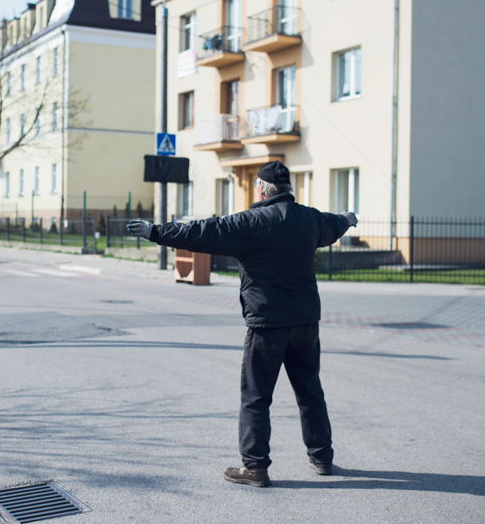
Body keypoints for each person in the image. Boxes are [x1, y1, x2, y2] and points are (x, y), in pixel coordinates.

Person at [127, 161, 357, 488]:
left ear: (262, 189)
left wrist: (155, 232)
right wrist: (349, 219)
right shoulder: (310, 219)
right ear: (287, 189)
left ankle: (255, 467)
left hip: (267, 325)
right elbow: (335, 224)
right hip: (306, 323)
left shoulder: (250, 222)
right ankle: (321, 457)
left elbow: (202, 232)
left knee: (256, 397)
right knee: (310, 392)